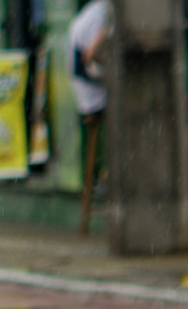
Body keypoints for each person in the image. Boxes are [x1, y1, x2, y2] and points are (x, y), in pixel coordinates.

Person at [70, 0, 111, 233]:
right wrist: (113, 68)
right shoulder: (103, 13)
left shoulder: (90, 11)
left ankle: (107, 175)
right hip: (94, 98)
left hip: (86, 96)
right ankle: (111, 177)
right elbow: (90, 55)